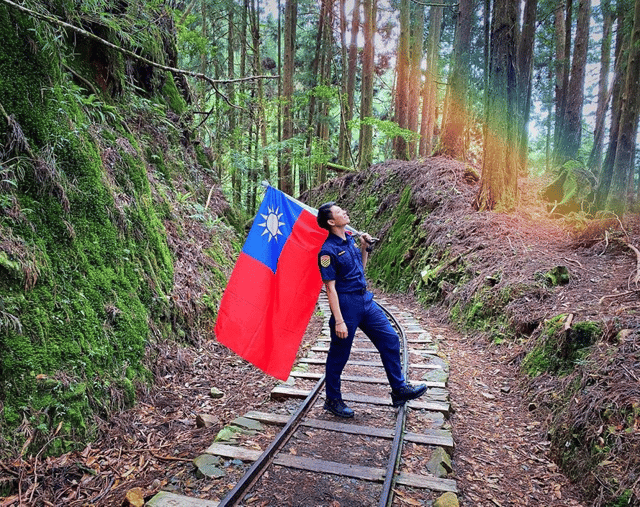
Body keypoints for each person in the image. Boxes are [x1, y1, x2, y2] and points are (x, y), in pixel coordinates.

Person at [316, 202, 427, 418]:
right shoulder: (327, 251)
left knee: (390, 339)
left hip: (365, 300)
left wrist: (365, 249)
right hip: (346, 305)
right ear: (331, 221)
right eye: (339, 211)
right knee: (339, 355)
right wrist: (339, 320)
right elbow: (330, 288)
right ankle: (333, 399)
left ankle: (399, 389)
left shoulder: (351, 241)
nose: (345, 211)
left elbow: (360, 271)